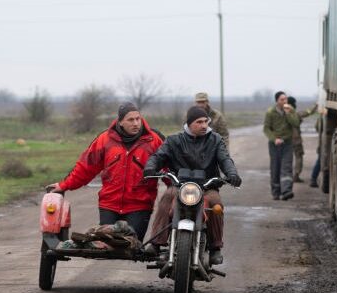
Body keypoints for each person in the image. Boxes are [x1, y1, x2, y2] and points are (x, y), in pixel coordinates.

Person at [47, 102, 163, 240]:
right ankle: (91, 239)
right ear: (120, 122)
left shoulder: (154, 141)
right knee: (107, 242)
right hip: (109, 205)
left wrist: (179, 189)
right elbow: (85, 168)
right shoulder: (104, 140)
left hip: (139, 205)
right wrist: (63, 185)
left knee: (132, 241)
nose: (136, 123)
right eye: (130, 120)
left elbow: (169, 168)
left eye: (138, 119)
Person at [143, 106, 241, 265]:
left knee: (216, 204)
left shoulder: (215, 140)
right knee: (167, 197)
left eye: (206, 122)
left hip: (207, 187)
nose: (204, 125)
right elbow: (158, 156)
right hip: (179, 186)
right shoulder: (174, 140)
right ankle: (156, 243)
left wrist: (232, 174)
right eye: (199, 122)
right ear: (189, 124)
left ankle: (215, 247)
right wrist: (150, 167)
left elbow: (225, 159)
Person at [264, 91, 299, 200]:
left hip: (287, 143)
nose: (285, 101)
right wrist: (274, 139)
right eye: (282, 99)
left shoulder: (290, 110)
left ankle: (287, 191)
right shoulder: (270, 112)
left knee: (286, 167)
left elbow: (296, 123)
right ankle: (276, 192)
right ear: (277, 101)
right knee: (275, 168)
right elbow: (266, 128)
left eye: (286, 99)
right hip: (274, 145)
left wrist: (288, 113)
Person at [286, 96, 318, 184]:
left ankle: (286, 175)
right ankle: (296, 175)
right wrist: (316, 106)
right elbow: (308, 112)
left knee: (286, 159)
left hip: (286, 140)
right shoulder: (295, 114)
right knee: (298, 157)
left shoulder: (283, 113)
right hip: (296, 140)